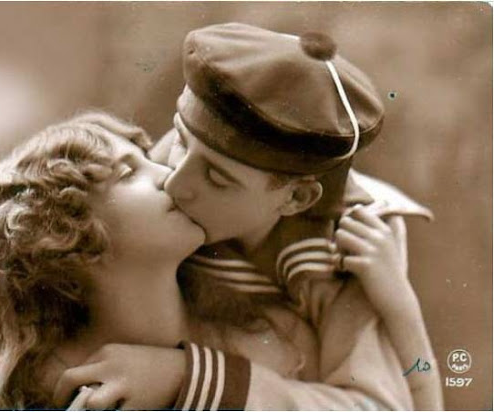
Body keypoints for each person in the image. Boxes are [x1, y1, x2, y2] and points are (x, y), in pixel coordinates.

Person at [50, 24, 442, 410]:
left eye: (217, 178)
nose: (173, 183)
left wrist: (186, 377)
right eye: (181, 142)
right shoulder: (161, 175)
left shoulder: (342, 250)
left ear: (296, 198)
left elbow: (377, 406)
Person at [0, 112, 318, 409]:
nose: (168, 175)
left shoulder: (272, 335)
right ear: (65, 234)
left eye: (148, 158)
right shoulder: (65, 394)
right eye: (128, 172)